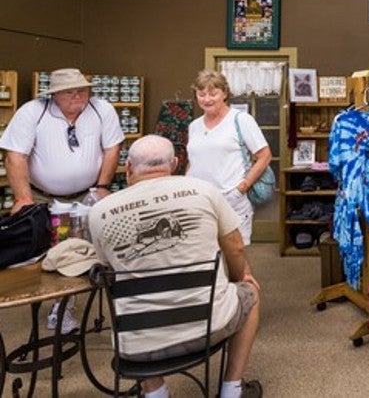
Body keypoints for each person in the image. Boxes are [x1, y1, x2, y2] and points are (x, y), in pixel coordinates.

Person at [89, 135, 262, 398]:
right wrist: (242, 277)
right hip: (208, 328)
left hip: (136, 343)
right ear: (176, 163)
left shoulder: (100, 212)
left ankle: (156, 392)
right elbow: (236, 247)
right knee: (251, 293)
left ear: (128, 167)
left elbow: (106, 269)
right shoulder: (204, 191)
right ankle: (231, 389)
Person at [0, 67, 124, 333]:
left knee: (80, 253)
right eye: (70, 91)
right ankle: (53, 302)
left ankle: (65, 304)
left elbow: (112, 148)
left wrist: (102, 185)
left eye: (82, 89)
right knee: (45, 252)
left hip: (87, 193)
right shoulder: (33, 112)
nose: (78, 95)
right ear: (54, 95)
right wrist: (23, 197)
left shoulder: (102, 109)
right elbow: (15, 156)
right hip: (43, 195)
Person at [186, 70, 271, 246]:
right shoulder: (194, 126)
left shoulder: (241, 120)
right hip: (200, 201)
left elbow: (264, 156)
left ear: (225, 93)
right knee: (204, 255)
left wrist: (242, 187)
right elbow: (192, 161)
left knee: (235, 257)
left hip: (231, 198)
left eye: (213, 93)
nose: (207, 99)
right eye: (201, 94)